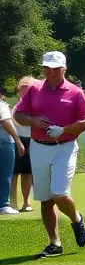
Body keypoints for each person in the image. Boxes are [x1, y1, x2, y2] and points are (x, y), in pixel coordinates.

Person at [11, 52, 85, 257]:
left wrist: (64, 129)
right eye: (46, 67)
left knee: (59, 193)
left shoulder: (75, 92)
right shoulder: (34, 90)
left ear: (64, 69)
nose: (50, 71)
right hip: (39, 147)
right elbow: (18, 115)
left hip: (64, 146)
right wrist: (33, 120)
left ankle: (76, 220)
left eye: (55, 68)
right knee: (46, 199)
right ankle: (54, 243)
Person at [10, 77, 35, 211]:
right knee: (13, 173)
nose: (24, 89)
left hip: (32, 141)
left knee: (27, 173)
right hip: (16, 141)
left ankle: (26, 203)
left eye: (28, 87)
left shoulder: (37, 105)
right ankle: (12, 203)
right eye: (22, 87)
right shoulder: (16, 107)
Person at [0, 86, 25, 216]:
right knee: (5, 173)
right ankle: (3, 204)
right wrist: (18, 140)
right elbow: (6, 122)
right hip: (4, 142)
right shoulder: (2, 105)